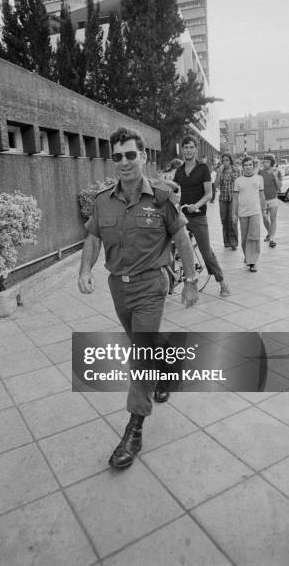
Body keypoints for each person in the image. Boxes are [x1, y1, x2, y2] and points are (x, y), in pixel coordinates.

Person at [78, 127, 199, 469]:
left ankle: (134, 428)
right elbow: (92, 237)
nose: (124, 162)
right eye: (117, 156)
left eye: (131, 155)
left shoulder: (161, 197)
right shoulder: (103, 200)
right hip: (119, 286)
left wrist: (190, 280)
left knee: (140, 355)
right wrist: (85, 270)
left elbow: (182, 239)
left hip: (151, 286)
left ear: (143, 156)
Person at [173, 135, 231, 296]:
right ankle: (173, 282)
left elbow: (209, 193)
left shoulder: (203, 169)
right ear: (182, 150)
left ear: (196, 149)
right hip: (182, 216)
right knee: (172, 247)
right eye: (186, 147)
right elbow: (175, 191)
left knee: (206, 252)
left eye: (191, 147)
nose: (188, 150)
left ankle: (222, 282)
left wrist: (196, 205)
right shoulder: (179, 170)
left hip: (198, 216)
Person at [232, 157, 266, 272]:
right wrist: (234, 213)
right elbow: (235, 198)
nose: (248, 167)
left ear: (253, 166)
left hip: (255, 212)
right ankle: (248, 256)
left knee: (254, 236)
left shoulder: (259, 179)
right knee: (244, 237)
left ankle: (253, 261)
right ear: (242, 167)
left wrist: (264, 209)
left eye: (250, 164)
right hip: (242, 213)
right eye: (245, 165)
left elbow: (262, 195)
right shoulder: (238, 181)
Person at [214, 151, 240, 250]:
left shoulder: (236, 170)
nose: (225, 162)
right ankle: (226, 242)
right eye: (223, 160)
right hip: (223, 199)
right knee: (224, 220)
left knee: (232, 220)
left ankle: (234, 242)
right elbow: (215, 186)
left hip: (233, 199)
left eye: (227, 160)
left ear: (230, 161)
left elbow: (239, 185)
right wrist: (219, 173)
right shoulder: (219, 171)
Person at [259, 153, 282, 247]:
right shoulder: (260, 172)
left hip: (273, 198)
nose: (265, 164)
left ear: (271, 163)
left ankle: (272, 238)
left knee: (273, 218)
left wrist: (275, 176)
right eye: (264, 162)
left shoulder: (277, 172)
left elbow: (279, 187)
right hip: (263, 200)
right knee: (264, 218)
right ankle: (270, 232)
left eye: (267, 162)